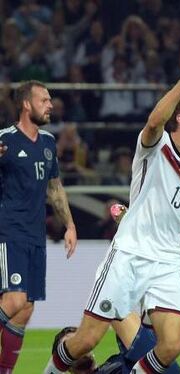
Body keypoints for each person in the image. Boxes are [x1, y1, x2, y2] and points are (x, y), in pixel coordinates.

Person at [44, 55, 180, 374]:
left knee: (172, 345)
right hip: (129, 254)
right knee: (87, 340)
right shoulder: (154, 144)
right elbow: (152, 121)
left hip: (168, 262)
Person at [0, 80, 78, 373]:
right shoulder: (5, 140)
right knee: (15, 298)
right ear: (26, 104)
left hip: (36, 236)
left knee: (26, 309)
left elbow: (54, 189)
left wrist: (69, 224)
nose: (50, 105)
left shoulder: (47, 143)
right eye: (44, 100)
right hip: (9, 231)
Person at [53, 313, 180, 374]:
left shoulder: (112, 362)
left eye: (78, 339)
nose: (79, 348)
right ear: (65, 365)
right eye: (70, 345)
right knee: (113, 307)